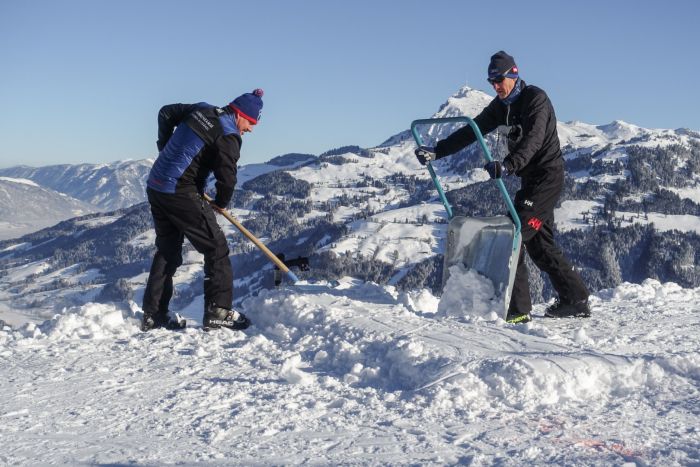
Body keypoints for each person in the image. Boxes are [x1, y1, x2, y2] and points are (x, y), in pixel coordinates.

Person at [415, 51, 590, 323]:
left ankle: (517, 311)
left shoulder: (535, 99)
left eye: (499, 80)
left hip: (547, 178)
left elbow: (533, 140)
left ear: (514, 74)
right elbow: (472, 131)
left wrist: (508, 165)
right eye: (491, 82)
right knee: (541, 246)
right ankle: (575, 298)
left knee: (513, 235)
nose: (496, 86)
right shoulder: (500, 106)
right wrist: (437, 152)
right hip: (530, 180)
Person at [141, 89, 265, 331]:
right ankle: (219, 310)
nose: (250, 129)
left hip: (156, 185)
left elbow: (165, 113)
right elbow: (227, 179)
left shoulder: (201, 109)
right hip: (180, 191)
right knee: (217, 248)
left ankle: (154, 314)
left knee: (167, 250)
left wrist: (164, 146)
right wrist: (221, 202)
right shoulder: (228, 136)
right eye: (251, 122)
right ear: (240, 115)